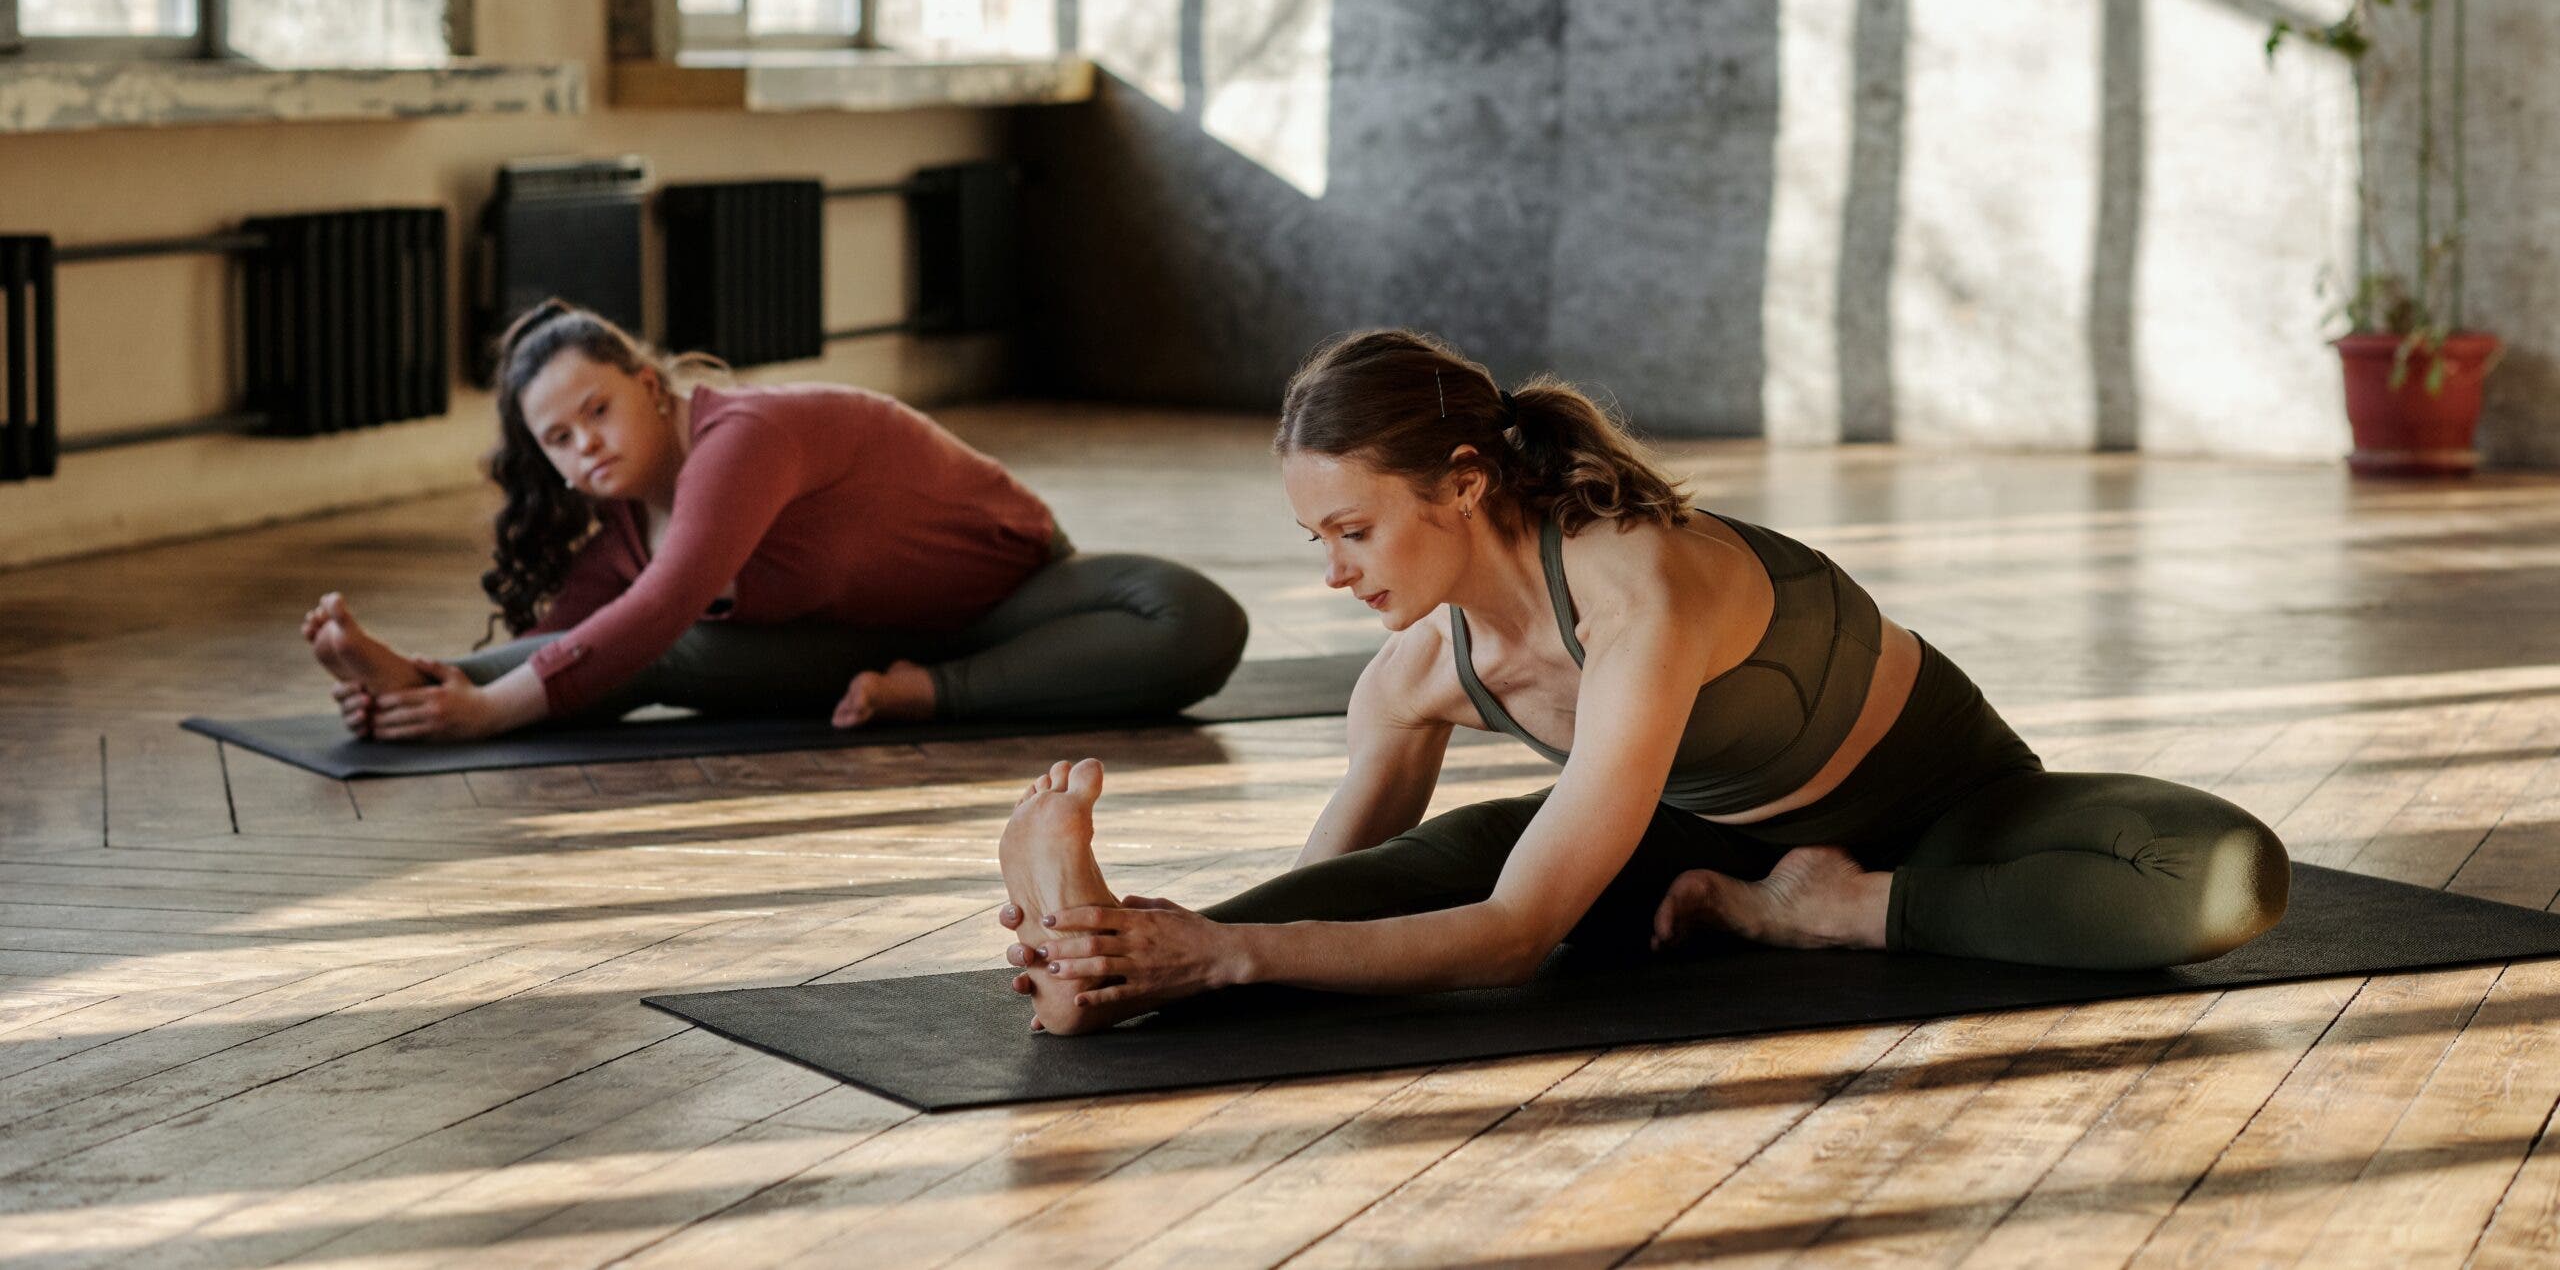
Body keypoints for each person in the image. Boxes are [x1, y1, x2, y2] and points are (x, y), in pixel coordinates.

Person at [990, 328, 2290, 1034]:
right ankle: (1089, 962)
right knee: (1400, 885)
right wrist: (1182, 947)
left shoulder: (1638, 588)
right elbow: (1345, 887)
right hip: (1680, 856)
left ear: (1462, 482)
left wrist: (1227, 956)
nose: (1333, 572)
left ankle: (1828, 912)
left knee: (2216, 874)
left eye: (1353, 530)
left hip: (1956, 817)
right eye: (1312, 538)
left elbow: (1510, 946)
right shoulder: (1410, 682)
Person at [301, 299, 1248, 741]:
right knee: (633, 651)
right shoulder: (626, 521)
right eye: (558, 437)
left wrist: (483, 715)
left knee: (1195, 616)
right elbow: (576, 643)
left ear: (648, 385)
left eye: (598, 410)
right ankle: (407, 693)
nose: (585, 443)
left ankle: (934, 692)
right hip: (847, 653)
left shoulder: (742, 436)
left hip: (1018, 602)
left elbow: (668, 601)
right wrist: (433, 689)